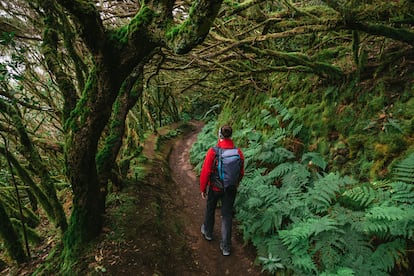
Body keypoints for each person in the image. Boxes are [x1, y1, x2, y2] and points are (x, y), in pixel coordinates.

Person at [199, 125, 244, 256]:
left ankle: (207, 232)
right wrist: (235, 184)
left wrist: (203, 188)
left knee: (210, 208)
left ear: (220, 135)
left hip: (215, 187)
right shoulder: (238, 152)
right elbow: (241, 172)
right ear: (231, 135)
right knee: (227, 215)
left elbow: (206, 171)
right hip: (230, 188)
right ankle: (226, 247)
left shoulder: (214, 151)